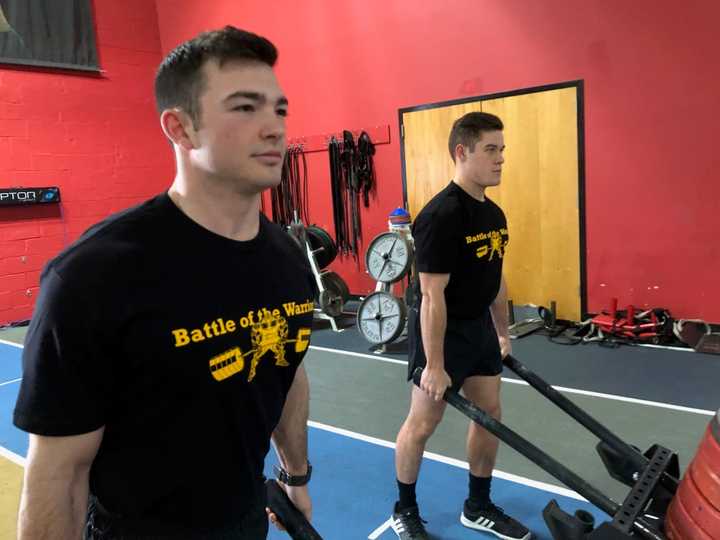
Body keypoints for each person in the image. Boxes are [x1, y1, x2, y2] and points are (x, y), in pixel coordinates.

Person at [13, 26, 317, 539]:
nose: (273, 128)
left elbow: (285, 369)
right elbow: (60, 474)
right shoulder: (93, 276)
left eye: (279, 110)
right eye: (245, 108)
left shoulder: (288, 261)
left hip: (246, 522)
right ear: (180, 128)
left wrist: (295, 474)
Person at [391, 112, 531, 540]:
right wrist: (434, 364)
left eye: (502, 150)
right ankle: (405, 509)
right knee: (422, 424)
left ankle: (478, 504)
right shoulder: (441, 215)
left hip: (478, 329)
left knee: (489, 414)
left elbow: (496, 279)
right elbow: (430, 297)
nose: (500, 159)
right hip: (442, 332)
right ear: (461, 152)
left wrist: (503, 332)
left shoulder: (495, 214)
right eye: (491, 150)